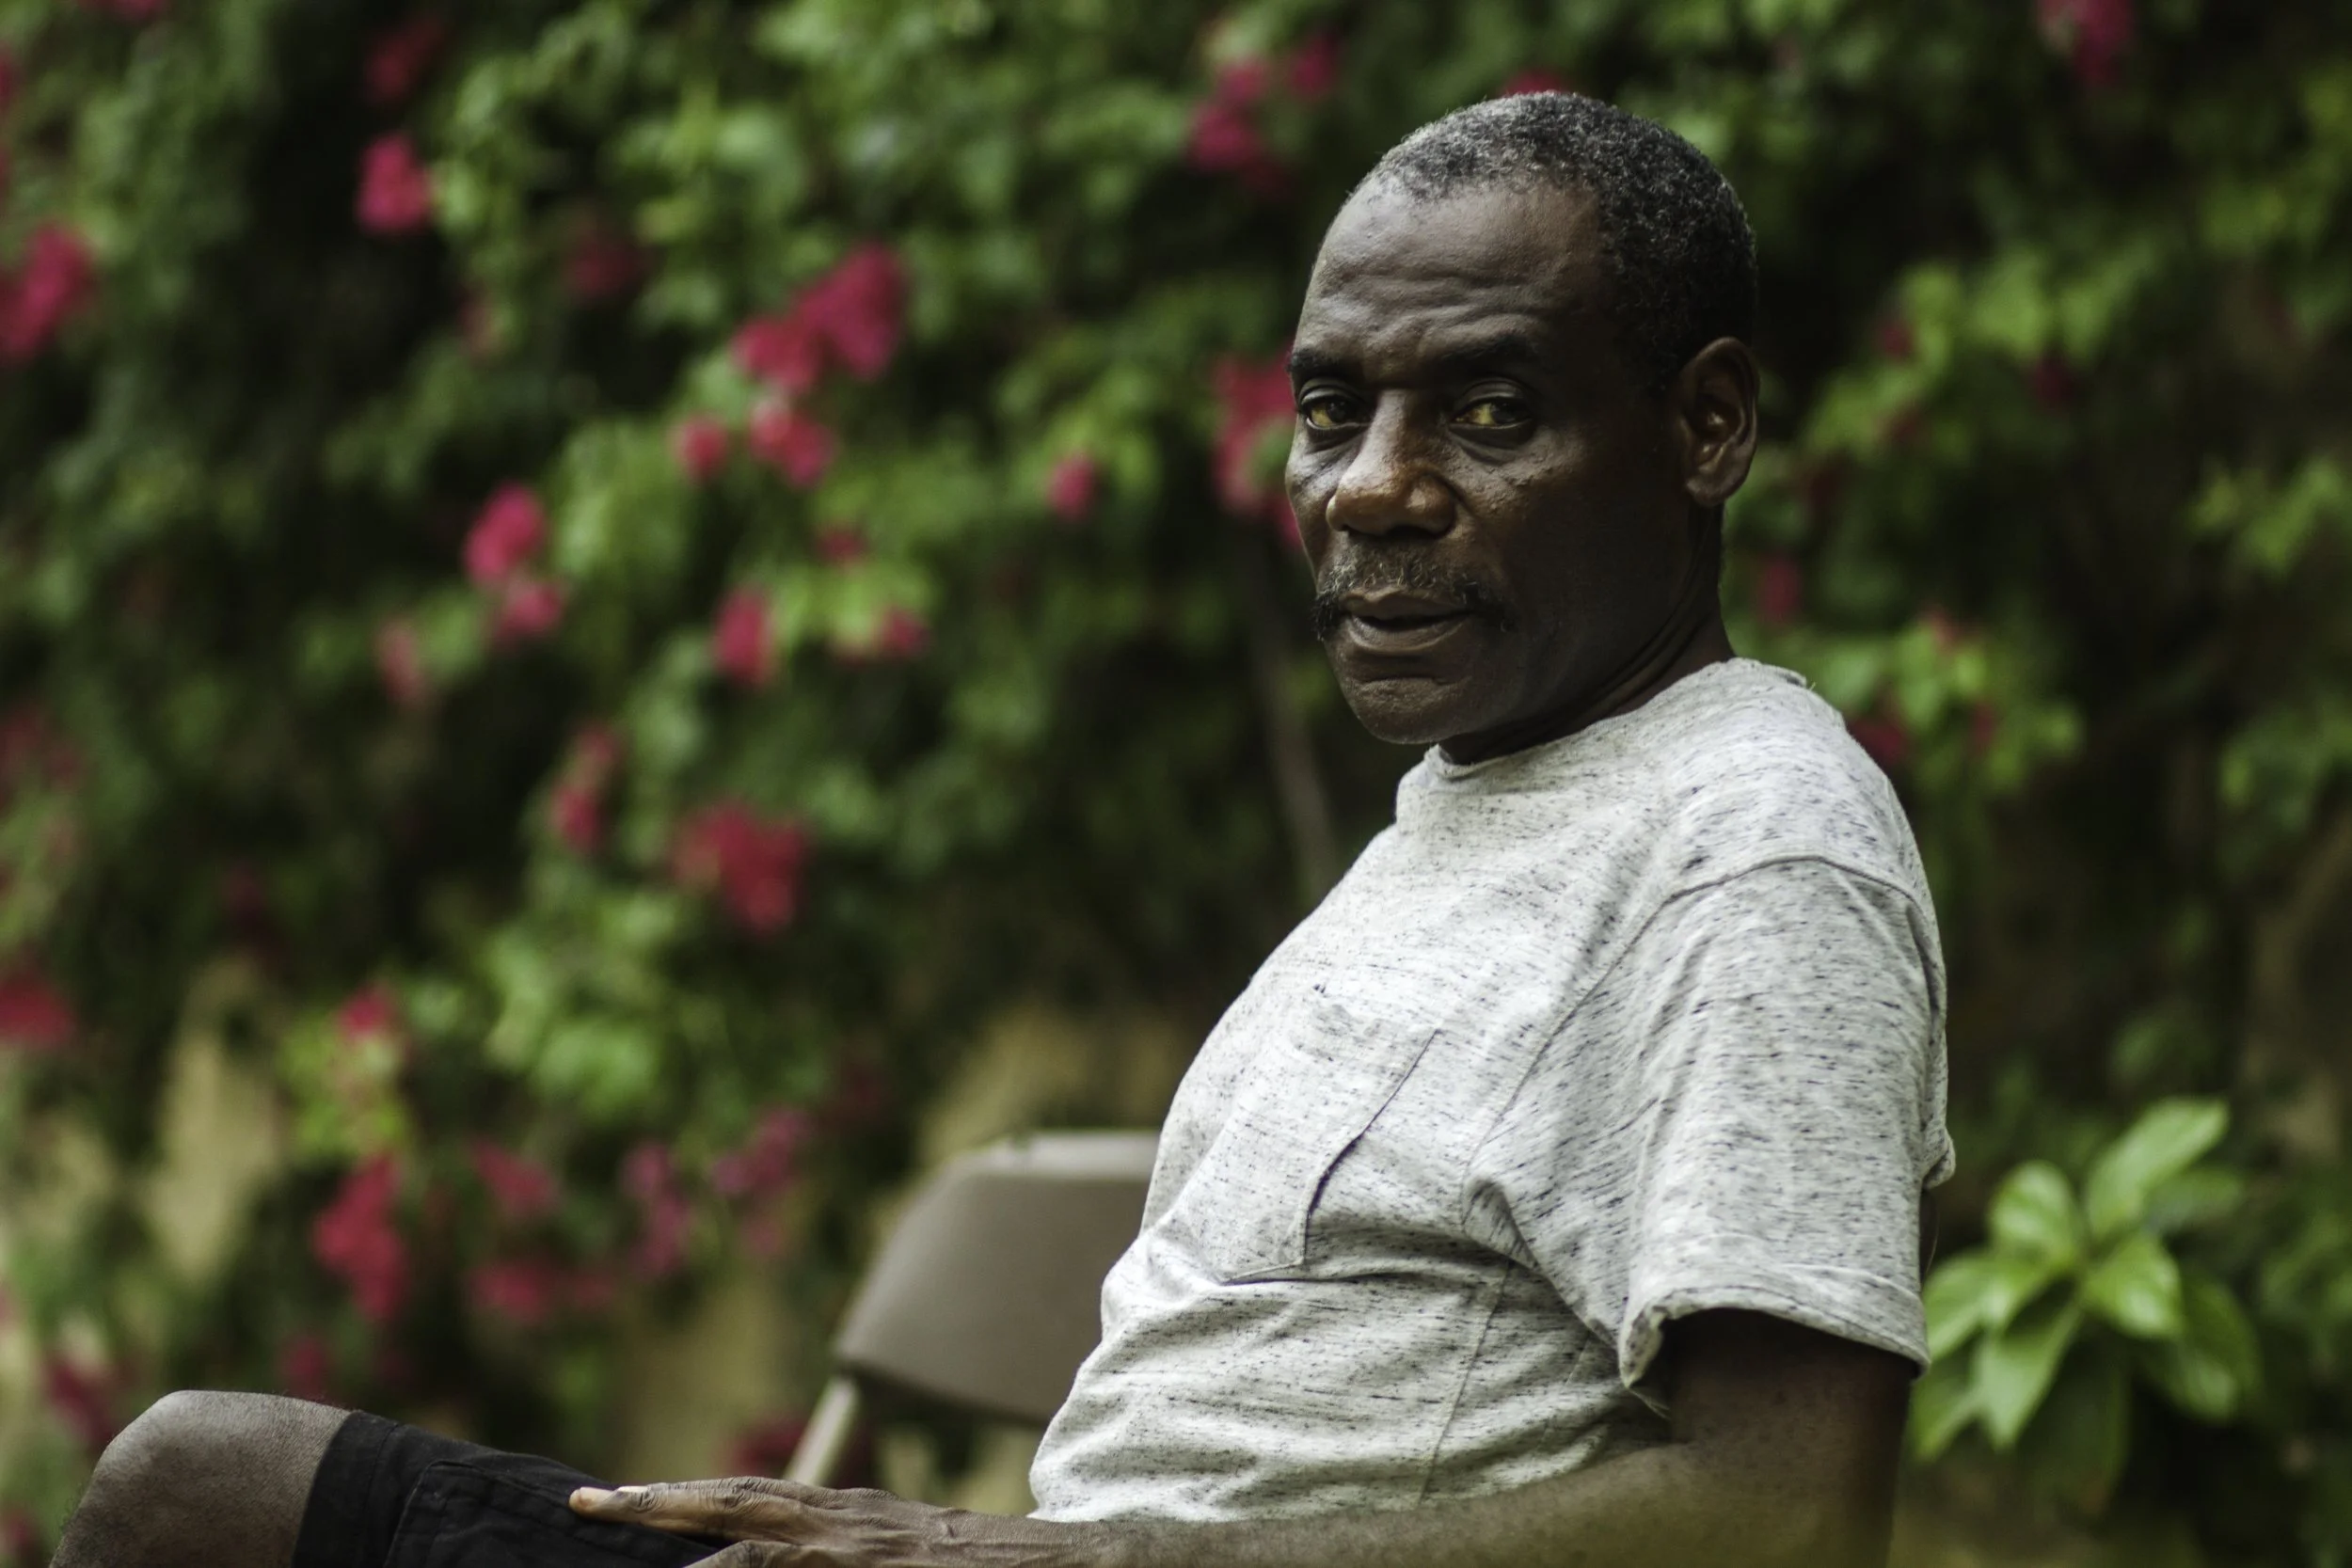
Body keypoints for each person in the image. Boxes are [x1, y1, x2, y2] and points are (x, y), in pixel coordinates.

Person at [53, 90, 1948, 1568]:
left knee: (199, 1502)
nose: (1371, 490)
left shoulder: (1749, 845)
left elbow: (1779, 1510)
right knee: (207, 1487)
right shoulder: (1479, 793)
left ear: (1703, 427)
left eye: (1488, 409)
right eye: (1328, 408)